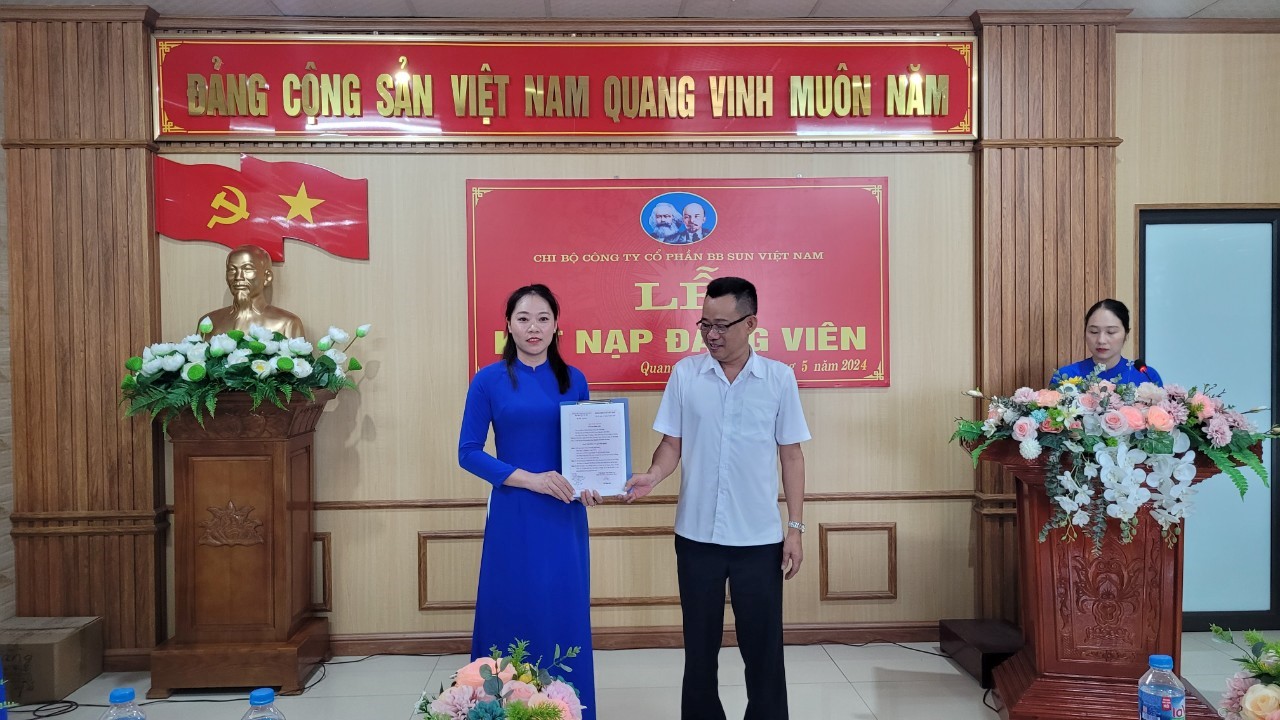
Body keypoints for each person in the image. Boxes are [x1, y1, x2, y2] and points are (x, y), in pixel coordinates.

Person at [620, 276, 810, 720]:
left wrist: (795, 530)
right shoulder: (686, 374)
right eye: (705, 324)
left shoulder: (778, 379)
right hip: (697, 536)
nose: (711, 334)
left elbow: (792, 456)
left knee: (763, 650)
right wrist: (653, 475)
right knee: (700, 649)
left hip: (758, 539)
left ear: (751, 324)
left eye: (722, 325)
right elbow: (672, 444)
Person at [457, 284, 596, 720]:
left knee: (561, 609)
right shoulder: (488, 380)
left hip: (564, 513)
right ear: (509, 325)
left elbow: (586, 449)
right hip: (513, 513)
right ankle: (498, 709)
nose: (533, 327)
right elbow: (468, 452)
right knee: (510, 606)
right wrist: (531, 480)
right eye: (523, 318)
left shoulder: (575, 379)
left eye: (542, 318)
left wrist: (592, 483)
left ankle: (566, 709)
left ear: (556, 325)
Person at [1051, 298, 1163, 387]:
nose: (1101, 340)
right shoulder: (1066, 377)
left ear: (1126, 334)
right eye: (1094, 332)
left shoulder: (1146, 376)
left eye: (1111, 332)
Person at [199, 244, 305, 338]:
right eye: (232, 270)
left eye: (247, 269)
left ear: (267, 277)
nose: (238, 277)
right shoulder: (209, 322)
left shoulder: (287, 324)